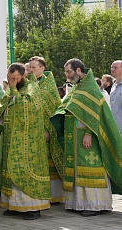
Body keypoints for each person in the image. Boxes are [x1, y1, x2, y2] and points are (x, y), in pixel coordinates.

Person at [51, 58, 122, 217]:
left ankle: (95, 204)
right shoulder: (77, 87)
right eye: (66, 72)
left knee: (90, 168)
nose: (67, 75)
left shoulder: (90, 87)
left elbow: (95, 112)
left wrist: (89, 133)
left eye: (69, 71)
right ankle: (78, 203)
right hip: (74, 135)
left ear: (78, 70)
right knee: (78, 169)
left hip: (87, 136)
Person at [0, 62, 51, 220]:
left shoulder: (32, 88)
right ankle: (14, 204)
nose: (12, 81)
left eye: (15, 78)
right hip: (10, 138)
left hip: (27, 140)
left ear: (24, 76)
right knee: (10, 171)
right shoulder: (11, 90)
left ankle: (32, 208)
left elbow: (26, 107)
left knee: (24, 172)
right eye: (10, 78)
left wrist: (13, 88)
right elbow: (4, 111)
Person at [29, 56, 64, 203]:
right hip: (30, 130)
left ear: (42, 68)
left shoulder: (49, 85)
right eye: (29, 67)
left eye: (34, 67)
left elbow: (54, 110)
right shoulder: (27, 84)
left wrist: (49, 130)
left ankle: (53, 195)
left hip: (45, 131)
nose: (31, 70)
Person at [110, 60, 122, 133]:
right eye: (111, 67)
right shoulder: (113, 86)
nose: (112, 69)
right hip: (115, 129)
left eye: (115, 67)